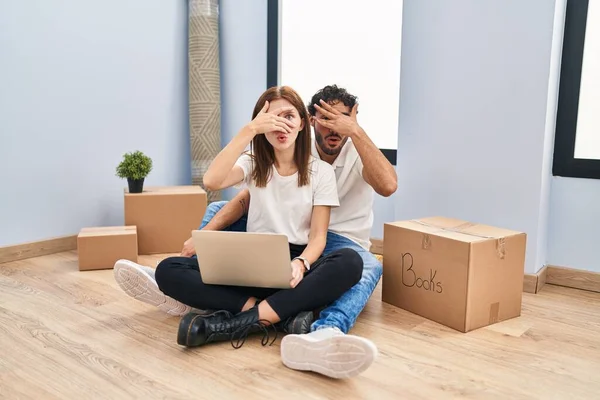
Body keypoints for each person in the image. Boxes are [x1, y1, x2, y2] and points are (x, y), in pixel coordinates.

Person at [113, 86, 364, 351]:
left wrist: (301, 264)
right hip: (251, 264)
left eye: (289, 116)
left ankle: (234, 323)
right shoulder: (254, 162)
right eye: (271, 118)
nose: (281, 124)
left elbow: (318, 237)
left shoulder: (321, 172)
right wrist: (248, 131)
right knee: (168, 270)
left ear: (303, 123)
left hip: (293, 268)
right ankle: (273, 316)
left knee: (349, 262)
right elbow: (212, 180)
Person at [180, 85, 398, 379]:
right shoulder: (292, 141)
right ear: (311, 120)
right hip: (292, 234)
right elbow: (246, 196)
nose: (335, 126)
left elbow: (387, 186)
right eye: (326, 118)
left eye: (342, 118)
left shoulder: (359, 148)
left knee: (367, 265)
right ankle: (189, 282)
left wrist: (356, 131)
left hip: (336, 242)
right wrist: (204, 232)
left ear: (353, 119)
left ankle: (324, 332)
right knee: (216, 210)